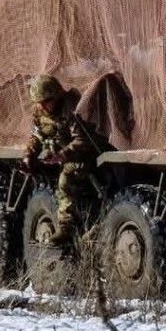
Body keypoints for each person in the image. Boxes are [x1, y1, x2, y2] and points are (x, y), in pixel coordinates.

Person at [21, 74, 104, 247]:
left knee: (66, 180)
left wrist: (62, 155)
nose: (43, 105)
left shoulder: (71, 109)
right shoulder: (40, 110)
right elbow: (37, 135)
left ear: (56, 96)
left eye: (46, 101)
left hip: (83, 156)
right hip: (58, 154)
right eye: (39, 102)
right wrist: (29, 155)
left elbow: (82, 141)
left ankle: (66, 229)